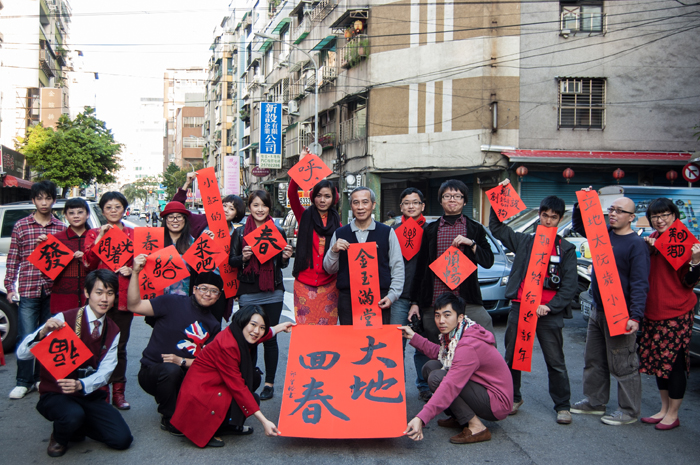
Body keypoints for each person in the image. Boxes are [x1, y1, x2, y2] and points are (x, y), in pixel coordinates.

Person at [16, 270, 133, 457]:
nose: (104, 299)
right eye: (99, 292)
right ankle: (60, 436)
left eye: (110, 293)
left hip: (88, 393)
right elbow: (23, 354)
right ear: (87, 293)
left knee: (122, 439)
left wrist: (81, 384)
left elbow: (106, 371)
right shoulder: (65, 319)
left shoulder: (113, 329)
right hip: (56, 393)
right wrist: (43, 332)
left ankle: (78, 425)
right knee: (72, 415)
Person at [489, 185, 578, 424]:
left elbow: (570, 285)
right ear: (539, 214)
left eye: (554, 217)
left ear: (560, 220)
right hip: (521, 308)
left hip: (548, 312)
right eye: (545, 215)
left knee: (555, 361)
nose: (548, 220)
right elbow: (497, 228)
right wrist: (500, 199)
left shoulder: (566, 249)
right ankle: (514, 397)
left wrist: (551, 306)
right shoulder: (524, 241)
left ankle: (563, 405)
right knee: (512, 356)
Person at [408, 179, 495, 402]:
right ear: (441, 201)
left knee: (479, 342)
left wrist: (472, 244)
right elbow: (421, 267)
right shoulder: (431, 229)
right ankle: (437, 392)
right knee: (433, 349)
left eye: (457, 196)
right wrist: (416, 301)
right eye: (447, 196)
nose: (452, 200)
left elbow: (488, 261)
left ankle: (480, 389)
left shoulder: (474, 228)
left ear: (464, 201)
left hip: (466, 301)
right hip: (434, 301)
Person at [570, 193, 650, 425]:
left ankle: (629, 411)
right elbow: (579, 226)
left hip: (620, 313)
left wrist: (635, 316)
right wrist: (581, 203)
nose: (613, 214)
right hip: (598, 309)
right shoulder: (603, 235)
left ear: (632, 217)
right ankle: (595, 401)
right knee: (594, 358)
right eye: (611, 209)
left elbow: (639, 282)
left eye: (619, 211)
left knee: (623, 363)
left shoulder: (636, 244)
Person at [171, 305, 294, 447]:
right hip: (201, 391)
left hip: (213, 384)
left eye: (262, 327)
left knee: (253, 379)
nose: (256, 331)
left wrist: (281, 327)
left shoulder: (237, 333)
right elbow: (237, 387)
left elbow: (260, 336)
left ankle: (226, 426)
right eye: (253, 325)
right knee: (247, 395)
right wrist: (264, 421)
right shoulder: (227, 345)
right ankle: (206, 429)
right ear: (243, 321)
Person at [129, 254, 223, 435]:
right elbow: (134, 305)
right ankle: (168, 415)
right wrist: (135, 273)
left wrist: (181, 361)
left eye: (213, 291)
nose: (207, 294)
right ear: (194, 289)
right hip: (152, 371)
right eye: (203, 288)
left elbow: (209, 363)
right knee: (170, 370)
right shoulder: (171, 302)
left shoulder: (213, 324)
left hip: (186, 376)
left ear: (218, 297)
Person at [401, 293, 513, 444]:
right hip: (482, 389)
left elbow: (450, 385)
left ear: (460, 317)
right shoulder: (459, 332)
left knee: (438, 378)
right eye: (437, 315)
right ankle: (460, 417)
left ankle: (476, 427)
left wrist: (421, 418)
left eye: (447, 315)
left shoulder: (468, 344)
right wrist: (414, 337)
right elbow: (440, 354)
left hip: (496, 402)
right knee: (430, 367)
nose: (441, 321)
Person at [638, 198, 700, 430]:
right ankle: (663, 408)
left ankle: (673, 414)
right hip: (652, 311)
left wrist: (695, 261)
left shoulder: (686, 242)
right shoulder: (650, 239)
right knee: (658, 363)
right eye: (655, 216)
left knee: (673, 363)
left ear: (675, 216)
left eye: (665, 215)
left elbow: (688, 282)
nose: (660, 220)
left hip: (677, 312)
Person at [230, 190, 293, 401]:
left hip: (273, 291)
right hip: (248, 291)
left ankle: (269, 383)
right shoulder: (239, 233)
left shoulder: (277, 230)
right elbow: (232, 261)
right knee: (250, 339)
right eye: (255, 205)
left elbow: (281, 264)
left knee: (270, 337)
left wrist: (285, 257)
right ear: (249, 208)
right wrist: (243, 258)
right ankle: (250, 380)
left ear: (269, 208)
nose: (260, 209)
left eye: (264, 205)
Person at [6, 181, 66, 400]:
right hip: (29, 287)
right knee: (27, 335)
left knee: (49, 335)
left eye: (48, 198)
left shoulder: (60, 228)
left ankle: (43, 379)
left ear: (54, 200)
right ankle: (23, 381)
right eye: (39, 198)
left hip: (52, 290)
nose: (43, 202)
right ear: (33, 200)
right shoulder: (21, 226)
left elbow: (65, 262)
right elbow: (13, 258)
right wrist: (9, 287)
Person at [323, 186, 405, 325]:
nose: (360, 207)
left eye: (365, 202)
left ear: (373, 205)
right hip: (348, 299)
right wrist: (333, 250)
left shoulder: (386, 232)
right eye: (356, 202)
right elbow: (329, 269)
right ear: (351, 206)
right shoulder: (340, 233)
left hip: (379, 298)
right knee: (350, 343)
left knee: (377, 344)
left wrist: (392, 295)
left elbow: (397, 266)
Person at [84, 191, 134, 410]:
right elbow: (88, 263)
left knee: (120, 347)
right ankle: (101, 389)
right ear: (102, 211)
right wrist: (99, 239)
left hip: (124, 297)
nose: (113, 211)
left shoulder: (133, 234)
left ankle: (119, 392)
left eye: (118, 207)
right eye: (109, 207)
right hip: (100, 298)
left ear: (125, 210)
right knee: (97, 345)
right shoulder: (93, 233)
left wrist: (131, 268)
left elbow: (146, 264)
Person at [390, 187, 431, 401]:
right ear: (401, 207)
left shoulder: (430, 231)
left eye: (415, 202)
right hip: (398, 298)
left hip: (424, 300)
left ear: (422, 206)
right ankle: (394, 386)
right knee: (396, 344)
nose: (411, 206)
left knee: (422, 345)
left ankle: (424, 385)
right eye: (407, 203)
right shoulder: (393, 231)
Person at [288, 178, 341, 325]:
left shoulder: (338, 224)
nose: (322, 200)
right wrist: (298, 171)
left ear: (334, 198)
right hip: (304, 283)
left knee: (327, 330)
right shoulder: (303, 215)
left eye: (327, 196)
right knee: (305, 331)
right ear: (312, 196)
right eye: (319, 195)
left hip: (330, 284)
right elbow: (292, 194)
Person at [45, 198, 91, 314]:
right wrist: (42, 249)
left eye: (80, 212)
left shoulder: (95, 237)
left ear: (88, 215)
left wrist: (86, 258)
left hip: (91, 299)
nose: (76, 216)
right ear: (65, 216)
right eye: (71, 213)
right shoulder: (56, 239)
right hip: (63, 300)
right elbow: (46, 274)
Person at [175, 172, 246, 237]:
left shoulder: (237, 234)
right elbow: (175, 209)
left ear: (237, 214)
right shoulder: (202, 221)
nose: (226, 210)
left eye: (232, 209)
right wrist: (187, 184)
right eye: (224, 206)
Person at [159, 201, 195, 296]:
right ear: (165, 220)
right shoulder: (155, 242)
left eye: (179, 216)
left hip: (184, 298)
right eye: (171, 217)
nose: (175, 220)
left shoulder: (193, 244)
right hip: (158, 299)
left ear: (184, 219)